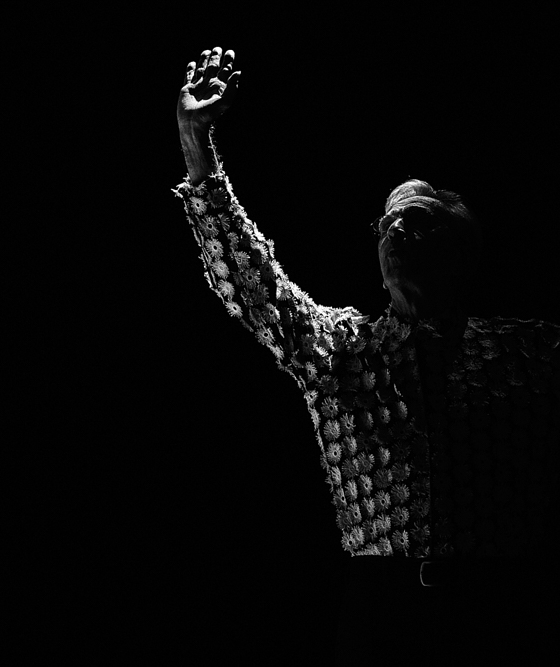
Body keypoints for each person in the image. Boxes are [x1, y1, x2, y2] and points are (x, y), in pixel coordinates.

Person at [174, 46, 559, 661]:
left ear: (462, 254)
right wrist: (197, 142)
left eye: (421, 223)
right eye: (388, 225)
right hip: (383, 614)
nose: (397, 231)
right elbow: (252, 284)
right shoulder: (342, 350)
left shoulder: (528, 351)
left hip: (500, 610)